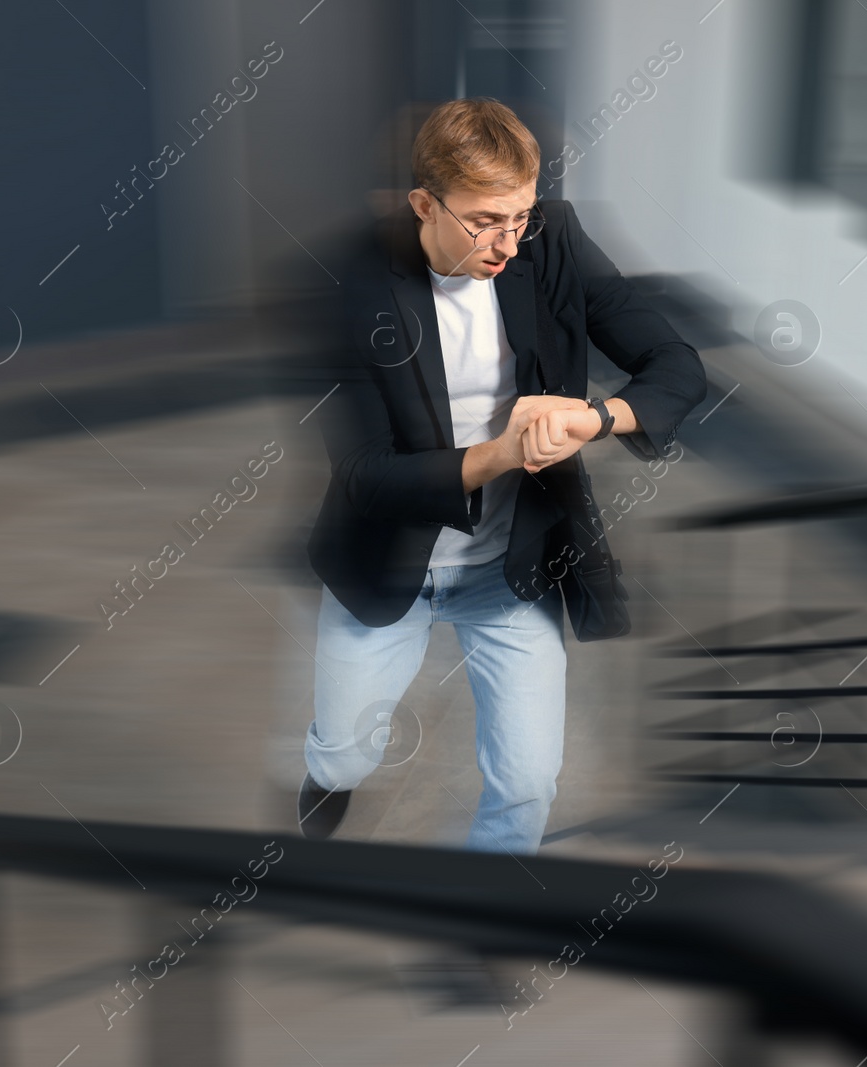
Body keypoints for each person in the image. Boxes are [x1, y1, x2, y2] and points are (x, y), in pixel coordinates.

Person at [297, 97, 707, 854]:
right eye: (485, 220)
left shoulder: (550, 241)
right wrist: (504, 452)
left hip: (510, 564)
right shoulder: (350, 284)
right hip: (387, 561)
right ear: (425, 203)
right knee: (346, 750)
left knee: (526, 781)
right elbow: (365, 476)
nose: (508, 244)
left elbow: (676, 365)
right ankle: (325, 781)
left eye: (519, 216)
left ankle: (480, 915)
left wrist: (597, 418)